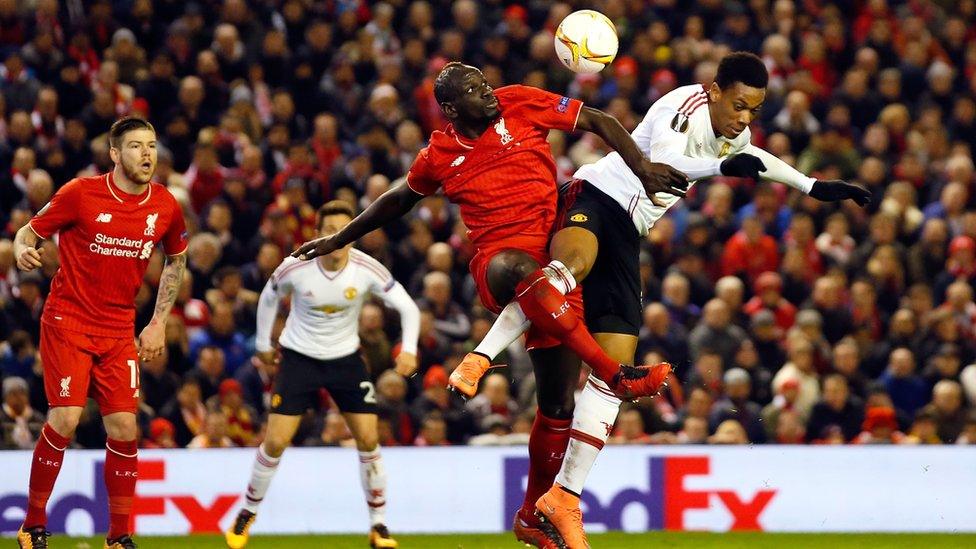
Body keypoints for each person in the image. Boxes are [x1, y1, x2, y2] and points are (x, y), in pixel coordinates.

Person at [462, 52, 872, 547]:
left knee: (615, 374)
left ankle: (564, 496)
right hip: (595, 196)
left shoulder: (735, 136)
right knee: (569, 269)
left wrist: (811, 186)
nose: (744, 119)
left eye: (754, 111)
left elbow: (754, 157)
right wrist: (723, 165)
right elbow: (667, 162)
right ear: (716, 90)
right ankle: (480, 356)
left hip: (629, 232)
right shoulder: (685, 104)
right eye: (739, 105)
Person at [291, 62, 687, 549]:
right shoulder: (439, 153)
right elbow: (399, 199)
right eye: (477, 91)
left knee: (558, 403)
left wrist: (641, 168)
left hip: (556, 269)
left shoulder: (520, 101)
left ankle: (529, 515)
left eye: (485, 83)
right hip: (499, 262)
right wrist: (341, 236)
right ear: (454, 110)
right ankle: (611, 372)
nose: (490, 93)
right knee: (519, 270)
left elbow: (599, 121)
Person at [13, 117, 188, 549]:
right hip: (68, 320)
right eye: (135, 146)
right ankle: (33, 524)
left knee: (126, 427)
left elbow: (177, 260)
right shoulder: (80, 193)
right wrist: (21, 250)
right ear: (114, 154)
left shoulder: (164, 205)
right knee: (67, 417)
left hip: (117, 328)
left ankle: (118, 537)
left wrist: (158, 322)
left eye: (151, 145)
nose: (147, 154)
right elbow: (28, 231)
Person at [225, 200, 421, 549]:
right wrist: (262, 343)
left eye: (346, 230)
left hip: (345, 359)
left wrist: (409, 349)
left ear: (354, 234)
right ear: (317, 233)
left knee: (368, 440)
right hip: (299, 359)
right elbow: (269, 297)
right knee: (276, 442)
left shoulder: (366, 269)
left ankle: (379, 526)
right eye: (331, 230)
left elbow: (408, 307)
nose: (338, 237)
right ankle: (247, 512)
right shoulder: (296, 266)